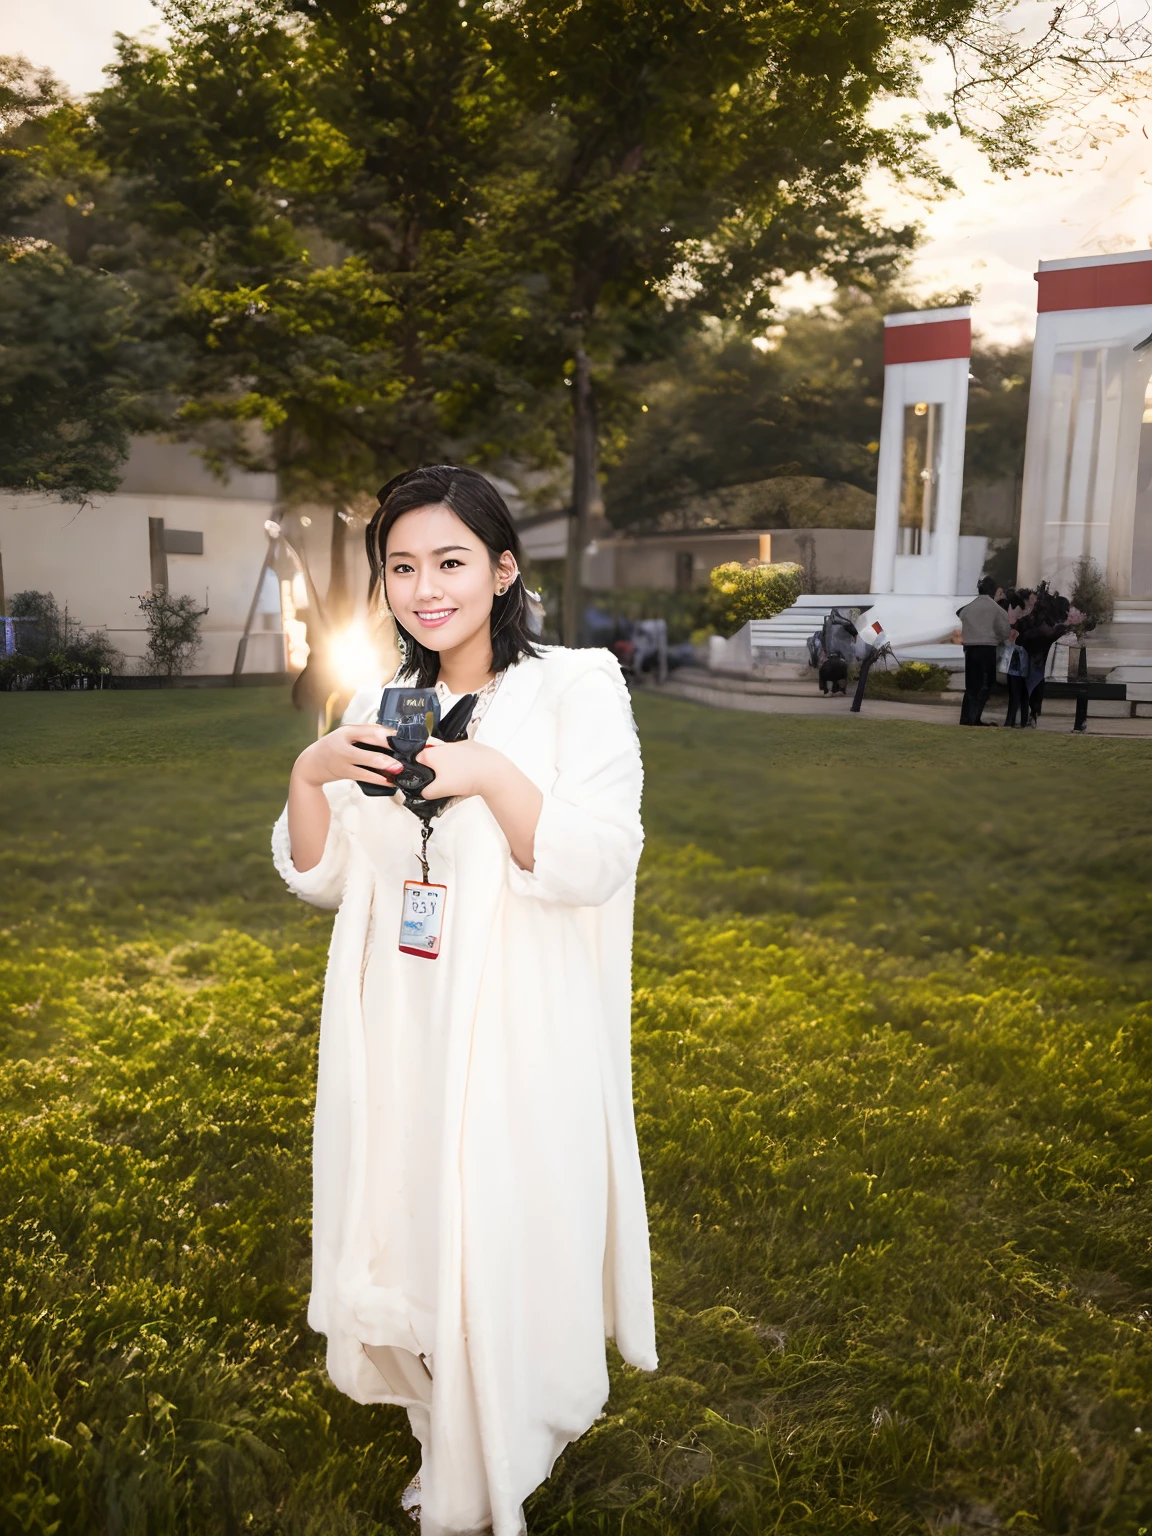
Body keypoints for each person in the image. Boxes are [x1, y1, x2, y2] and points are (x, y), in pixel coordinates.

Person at [272, 465, 657, 1536]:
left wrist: (489, 773)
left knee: (501, 1212)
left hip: (516, 1013)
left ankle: (503, 1431)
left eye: (449, 562)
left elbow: (597, 858)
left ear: (500, 569)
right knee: (412, 1208)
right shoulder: (374, 705)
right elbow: (327, 876)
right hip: (398, 1009)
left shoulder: (576, 684)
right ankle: (444, 1410)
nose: (425, 588)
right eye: (401, 566)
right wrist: (310, 779)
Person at [956, 577, 1011, 726]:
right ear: (993, 590)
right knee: (985, 684)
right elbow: (1005, 631)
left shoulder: (969, 607)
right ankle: (975, 718)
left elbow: (960, 614)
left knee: (971, 686)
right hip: (987, 649)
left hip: (970, 649)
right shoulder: (996, 609)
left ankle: (966, 717)